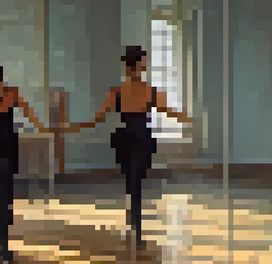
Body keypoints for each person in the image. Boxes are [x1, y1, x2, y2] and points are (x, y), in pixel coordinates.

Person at [64, 45, 193, 247]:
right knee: (135, 181)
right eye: (141, 64)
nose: (141, 68)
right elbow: (169, 112)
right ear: (139, 66)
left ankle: (134, 219)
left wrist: (74, 126)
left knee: (133, 182)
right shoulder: (142, 91)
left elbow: (98, 118)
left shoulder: (125, 91)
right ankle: (135, 221)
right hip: (137, 137)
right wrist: (188, 118)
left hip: (129, 137)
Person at [0, 61, 50, 264]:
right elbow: (28, 113)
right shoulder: (12, 92)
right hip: (9, 140)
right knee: (7, 183)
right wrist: (42, 128)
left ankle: (1, 214)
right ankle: (5, 212)